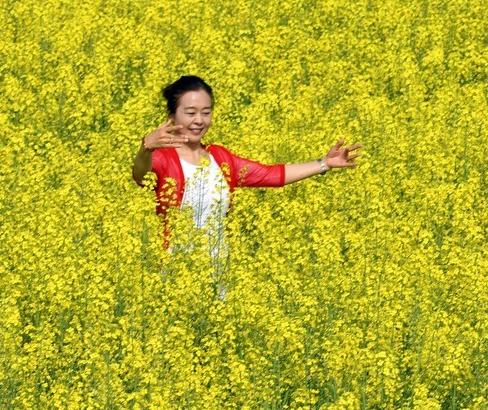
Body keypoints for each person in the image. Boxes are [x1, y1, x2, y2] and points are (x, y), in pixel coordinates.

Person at [131, 75, 362, 297]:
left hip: (218, 275)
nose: (199, 120)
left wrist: (325, 163)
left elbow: (271, 175)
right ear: (172, 115)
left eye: (206, 112)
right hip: (176, 276)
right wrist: (146, 147)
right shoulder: (163, 158)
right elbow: (141, 175)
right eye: (190, 113)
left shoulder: (220, 158)